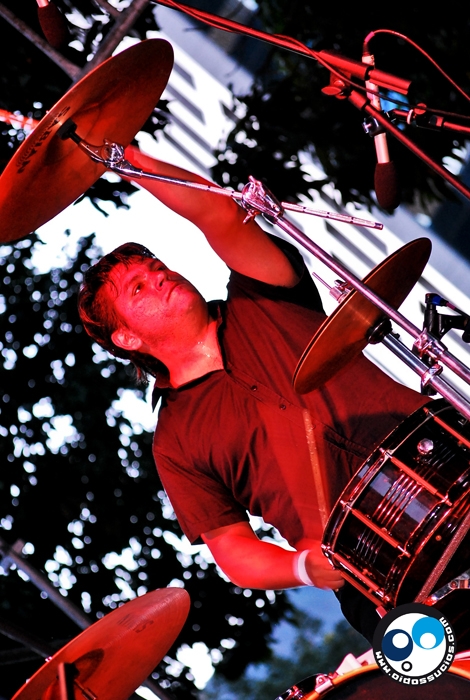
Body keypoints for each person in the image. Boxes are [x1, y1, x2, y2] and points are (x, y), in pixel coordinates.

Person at [77, 145, 430, 642]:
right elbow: (234, 551)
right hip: (369, 569)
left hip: (440, 455)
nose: (158, 275)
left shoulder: (260, 292)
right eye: (137, 289)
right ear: (127, 338)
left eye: (155, 266)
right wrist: (303, 568)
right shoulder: (175, 443)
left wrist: (125, 156)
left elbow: (219, 213)